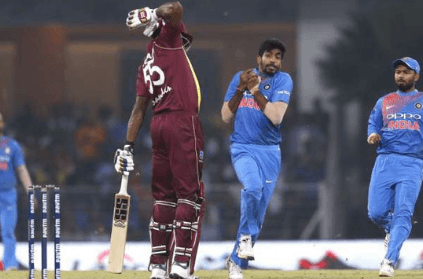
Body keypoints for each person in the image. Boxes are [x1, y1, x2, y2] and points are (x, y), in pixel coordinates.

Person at [115, 2, 205, 279]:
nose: (185, 44)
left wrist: (127, 146)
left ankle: (157, 265)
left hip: (158, 125)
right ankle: (180, 263)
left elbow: (138, 110)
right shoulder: (168, 39)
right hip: (181, 121)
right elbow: (176, 7)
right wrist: (153, 13)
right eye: (184, 39)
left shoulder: (145, 63)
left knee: (164, 197)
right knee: (189, 195)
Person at [221, 38, 293, 279]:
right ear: (258, 58)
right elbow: (224, 116)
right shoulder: (240, 77)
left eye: (278, 57)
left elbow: (276, 117)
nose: (273, 60)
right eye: (269, 55)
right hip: (242, 147)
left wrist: (254, 91)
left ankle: (236, 263)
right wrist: (241, 89)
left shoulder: (284, 80)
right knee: (252, 188)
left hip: (270, 152)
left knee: (259, 213)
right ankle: (244, 242)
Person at [367, 57, 423, 277]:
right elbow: (374, 123)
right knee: (376, 212)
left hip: (413, 162)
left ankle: (389, 261)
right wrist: (372, 134)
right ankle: (395, 229)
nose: (401, 75)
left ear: (416, 76)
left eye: (406, 72)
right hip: (385, 160)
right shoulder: (385, 101)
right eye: (398, 71)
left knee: (403, 212)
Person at [0, 111, 34, 270]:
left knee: (8, 231)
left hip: (7, 194)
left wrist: (31, 192)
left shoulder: (12, 145)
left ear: (2, 124)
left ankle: (9, 266)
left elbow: (22, 170)